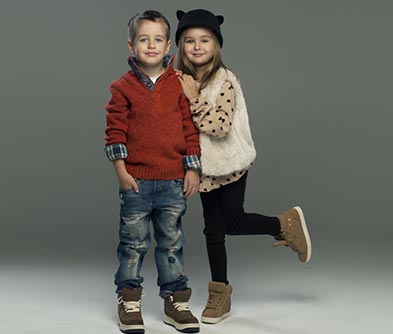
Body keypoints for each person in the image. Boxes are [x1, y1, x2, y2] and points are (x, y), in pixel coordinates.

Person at [174, 8, 312, 324]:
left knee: (233, 223)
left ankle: (284, 224)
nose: (196, 46)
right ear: (181, 45)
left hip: (230, 163)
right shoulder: (182, 78)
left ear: (216, 44)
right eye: (190, 40)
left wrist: (194, 97)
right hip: (205, 169)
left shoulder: (225, 79)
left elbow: (220, 126)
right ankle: (219, 293)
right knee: (213, 230)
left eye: (204, 40)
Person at [104, 10, 202, 334]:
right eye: (144, 39)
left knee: (171, 241)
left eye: (158, 39)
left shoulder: (179, 85)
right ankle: (129, 298)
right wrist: (121, 171)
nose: (151, 45)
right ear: (131, 45)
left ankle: (175, 300)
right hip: (137, 181)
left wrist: (192, 168)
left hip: (174, 180)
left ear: (167, 44)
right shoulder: (122, 87)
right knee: (133, 243)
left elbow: (190, 129)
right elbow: (115, 132)